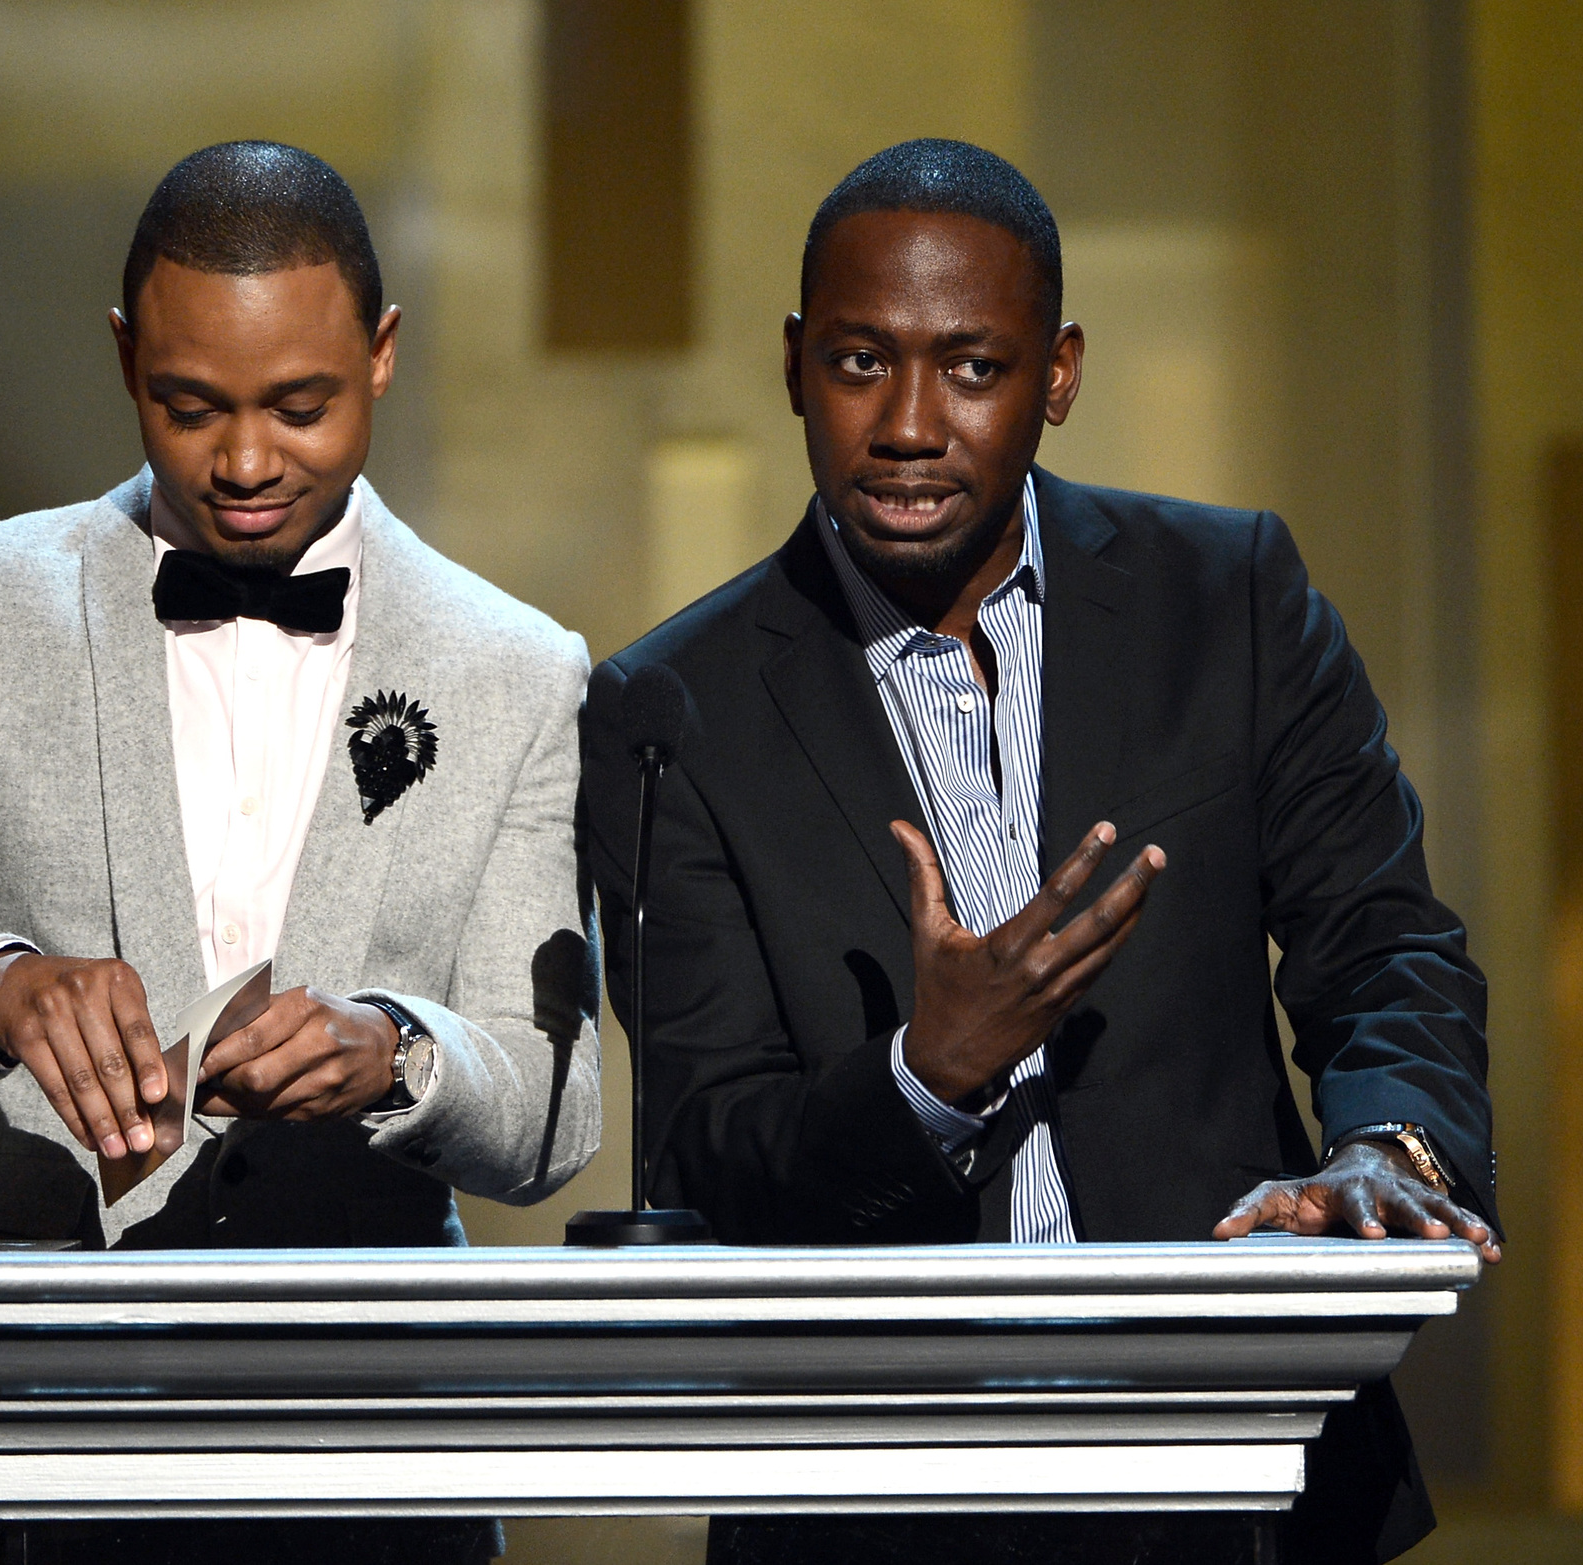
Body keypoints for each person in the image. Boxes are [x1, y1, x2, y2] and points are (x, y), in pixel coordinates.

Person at [580, 139, 1499, 1565]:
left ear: (1057, 375)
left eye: (973, 366)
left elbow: (1385, 943)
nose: (907, 423)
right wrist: (922, 1076)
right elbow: (708, 1153)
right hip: (879, 1501)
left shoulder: (1231, 600)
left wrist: (1388, 1145)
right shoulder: (671, 710)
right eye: (858, 361)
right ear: (792, 365)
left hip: (1237, 1463)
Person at [0, 140, 600, 1565]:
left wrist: (401, 1050)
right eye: (191, 409)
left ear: (381, 355)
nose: (246, 462)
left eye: (298, 407)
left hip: (362, 1442)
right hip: (2, 1418)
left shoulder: (515, 668)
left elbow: (552, 1110)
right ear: (126, 360)